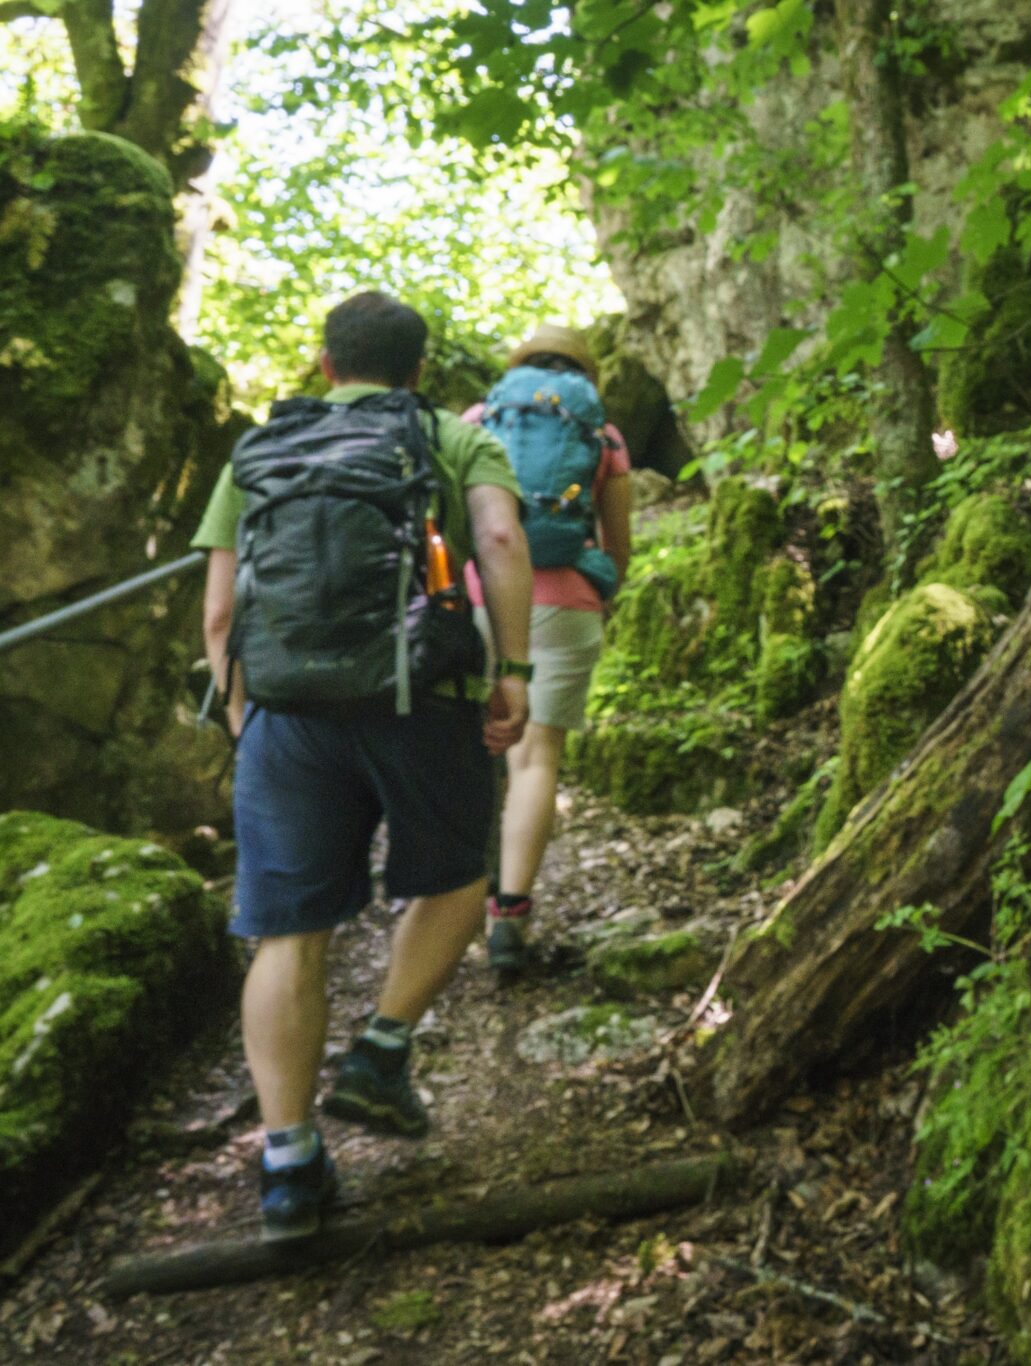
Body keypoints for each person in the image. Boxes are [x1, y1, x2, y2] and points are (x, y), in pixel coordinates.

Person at [194, 291, 536, 1241]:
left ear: (324, 364)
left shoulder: (261, 449)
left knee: (288, 936)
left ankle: (288, 1166)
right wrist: (512, 671)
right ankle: (383, 1050)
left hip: (287, 714)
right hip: (422, 698)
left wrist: (244, 713)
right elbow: (500, 539)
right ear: (420, 371)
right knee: (459, 877)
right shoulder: (451, 436)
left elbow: (220, 610)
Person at [461, 324, 633, 974]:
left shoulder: (480, 419)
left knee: (471, 750)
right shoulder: (603, 434)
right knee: (535, 760)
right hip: (566, 603)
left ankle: (454, 899)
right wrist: (602, 592)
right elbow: (618, 542)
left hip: (481, 598)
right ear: (586, 373)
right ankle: (509, 918)